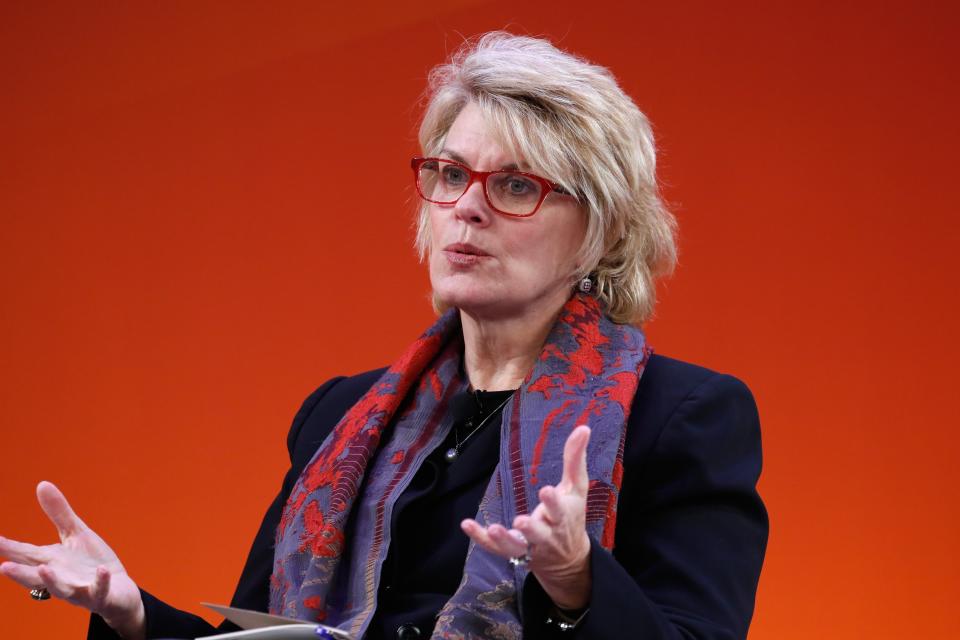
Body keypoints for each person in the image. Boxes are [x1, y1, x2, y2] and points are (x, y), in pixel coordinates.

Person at [0, 32, 768, 639]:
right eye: (449, 174)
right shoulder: (340, 414)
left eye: (515, 185)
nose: (466, 208)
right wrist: (131, 613)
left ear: (602, 234)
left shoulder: (682, 417)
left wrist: (576, 580)